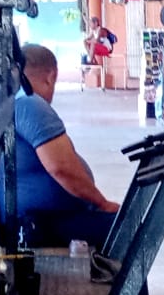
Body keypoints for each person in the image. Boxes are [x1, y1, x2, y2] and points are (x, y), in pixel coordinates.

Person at [13, 44, 119, 248]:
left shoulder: (15, 99)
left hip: (42, 216)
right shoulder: (30, 103)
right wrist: (101, 203)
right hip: (40, 222)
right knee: (127, 230)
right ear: (51, 76)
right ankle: (118, 279)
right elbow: (61, 168)